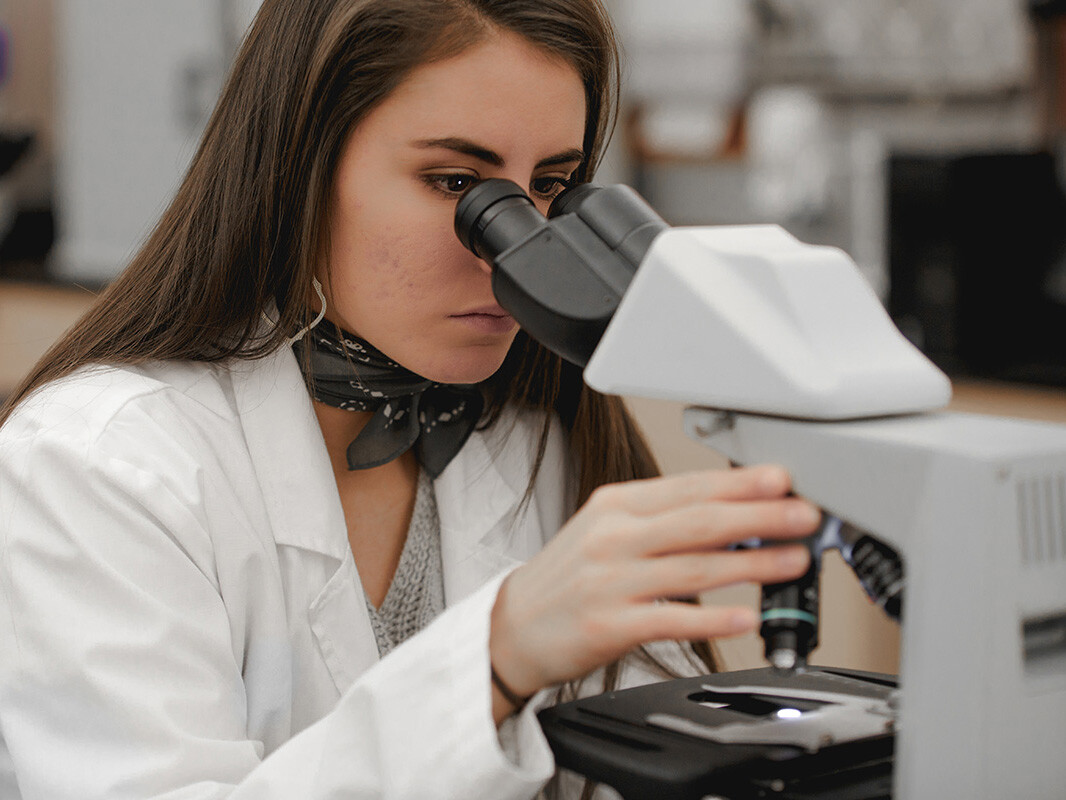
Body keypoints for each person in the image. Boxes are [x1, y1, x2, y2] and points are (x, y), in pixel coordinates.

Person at [0, 1, 819, 798]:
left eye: (551, 188)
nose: (513, 255)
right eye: (457, 181)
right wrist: (494, 659)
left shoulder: (534, 433)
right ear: (300, 168)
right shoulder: (98, 467)